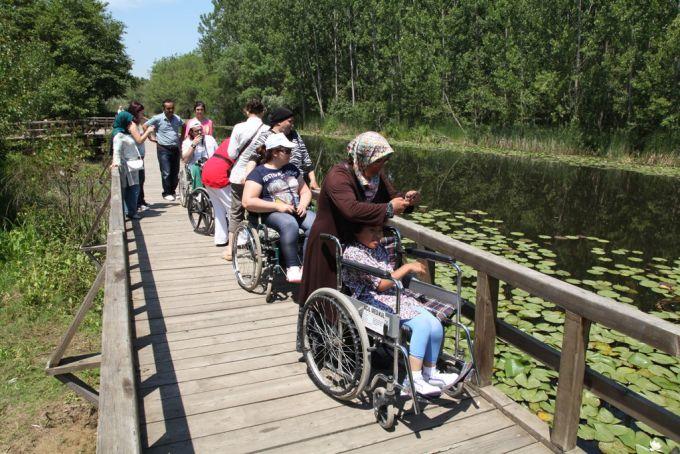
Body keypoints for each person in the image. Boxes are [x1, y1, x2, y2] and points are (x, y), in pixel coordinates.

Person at [342, 223, 470, 396]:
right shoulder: (353, 252)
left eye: (379, 231)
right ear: (357, 232)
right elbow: (380, 284)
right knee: (422, 326)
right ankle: (413, 380)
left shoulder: (378, 247)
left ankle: (429, 373)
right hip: (370, 299)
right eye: (371, 230)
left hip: (394, 294)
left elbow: (388, 280)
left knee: (435, 324)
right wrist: (407, 267)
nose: (377, 236)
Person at [299, 131, 420, 304]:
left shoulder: (376, 176)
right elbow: (351, 209)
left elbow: (391, 197)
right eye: (378, 160)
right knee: (327, 296)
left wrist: (407, 200)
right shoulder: (338, 176)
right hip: (330, 241)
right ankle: (319, 328)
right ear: (364, 157)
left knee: (352, 294)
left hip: (355, 241)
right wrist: (388, 209)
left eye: (385, 160)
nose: (382, 165)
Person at [242, 133, 316, 283]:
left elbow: (305, 191)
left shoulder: (292, 168)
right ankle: (292, 267)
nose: (291, 154)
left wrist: (303, 203)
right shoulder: (258, 173)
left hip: (296, 209)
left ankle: (307, 264)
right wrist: (277, 206)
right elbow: (247, 201)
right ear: (275, 152)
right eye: (287, 151)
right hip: (270, 213)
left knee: (318, 223)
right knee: (289, 223)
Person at [224, 99, 267, 260]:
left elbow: (231, 154)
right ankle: (257, 246)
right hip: (259, 176)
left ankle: (230, 249)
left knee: (236, 211)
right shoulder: (267, 129)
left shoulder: (239, 127)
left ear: (246, 111)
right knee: (257, 212)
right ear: (263, 112)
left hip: (238, 175)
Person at [111, 103, 155, 219]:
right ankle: (130, 212)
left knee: (134, 187)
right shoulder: (119, 135)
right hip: (128, 165)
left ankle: (131, 210)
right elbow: (117, 150)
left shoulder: (124, 132)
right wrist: (115, 163)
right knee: (131, 188)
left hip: (133, 163)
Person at [144, 99, 184, 201]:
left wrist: (182, 138)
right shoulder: (158, 118)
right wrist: (150, 136)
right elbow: (145, 125)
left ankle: (173, 191)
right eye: (168, 108)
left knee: (175, 172)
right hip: (163, 148)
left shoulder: (177, 118)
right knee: (166, 171)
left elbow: (184, 125)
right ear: (164, 108)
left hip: (175, 148)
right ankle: (166, 192)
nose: (171, 110)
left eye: (172, 108)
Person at [202, 138, 233, 248]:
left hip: (208, 169)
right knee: (233, 209)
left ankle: (220, 239)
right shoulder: (242, 143)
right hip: (220, 173)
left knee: (218, 209)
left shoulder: (228, 140)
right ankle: (240, 239)